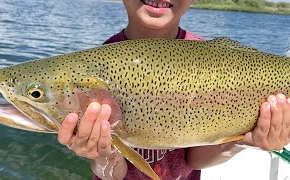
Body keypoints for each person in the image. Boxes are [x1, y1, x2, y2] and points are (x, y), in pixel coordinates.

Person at [57, 0, 290, 179]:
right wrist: (103, 153)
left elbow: (195, 159)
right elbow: (113, 173)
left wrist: (242, 140)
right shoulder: (99, 64)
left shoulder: (211, 59)